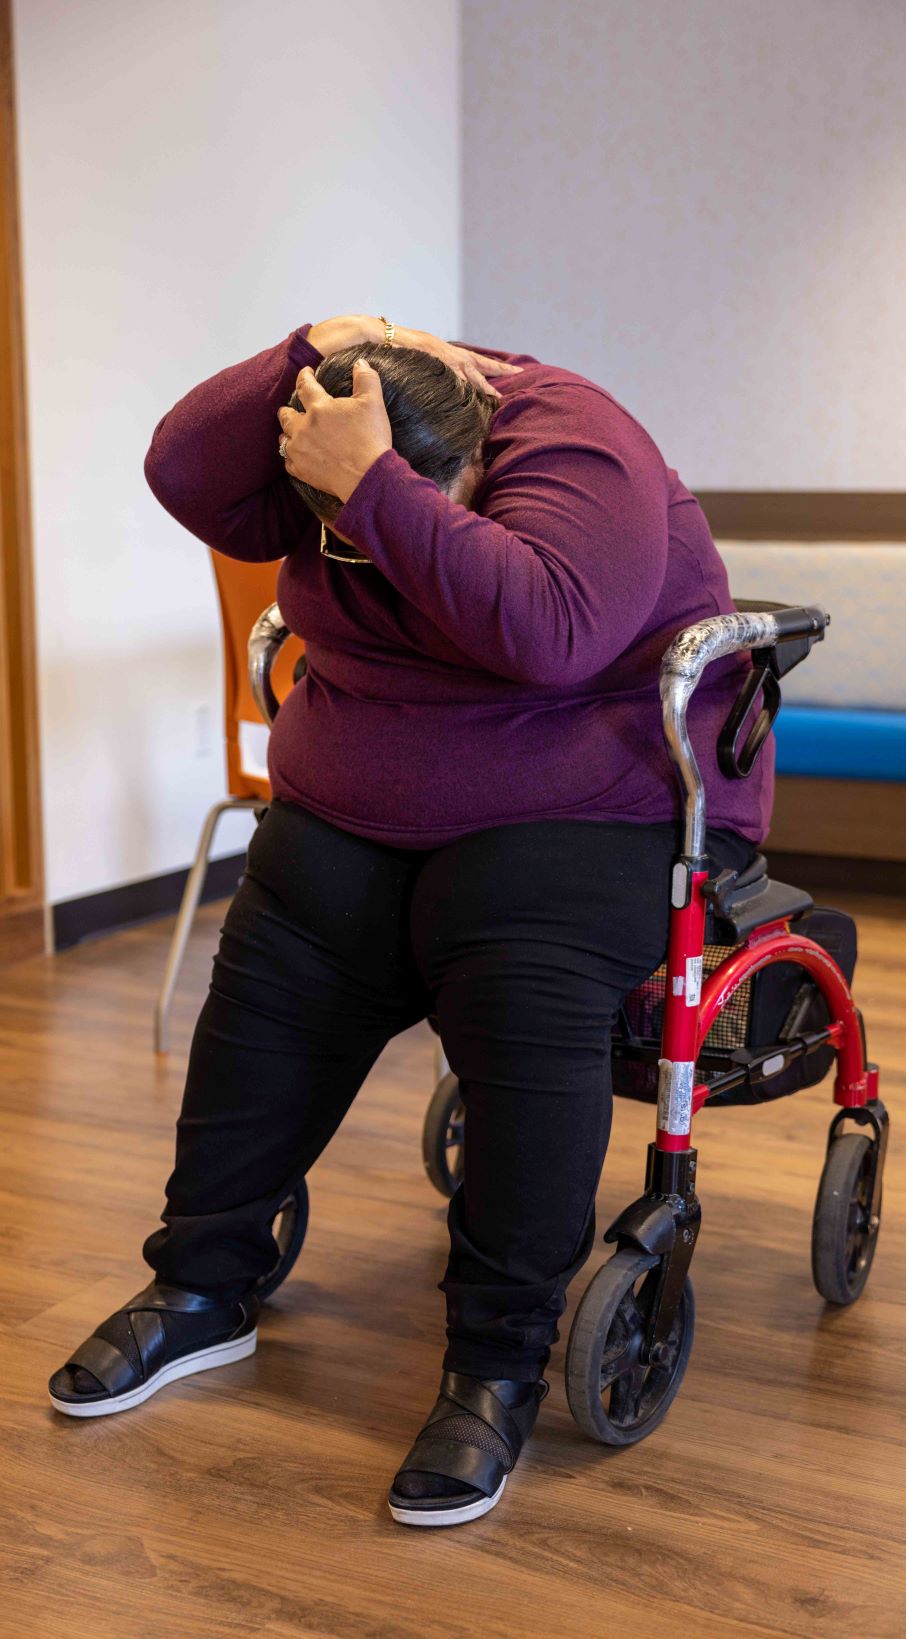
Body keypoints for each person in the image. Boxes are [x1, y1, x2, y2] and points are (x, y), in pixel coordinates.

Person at [46, 312, 772, 1527]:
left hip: (585, 798)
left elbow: (552, 632)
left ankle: (494, 1362)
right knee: (274, 970)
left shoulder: (579, 442)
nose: (356, 543)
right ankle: (198, 1288)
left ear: (477, 463)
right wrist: (302, 350)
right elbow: (183, 469)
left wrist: (376, 488)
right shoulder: (328, 429)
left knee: (520, 988)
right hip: (361, 792)